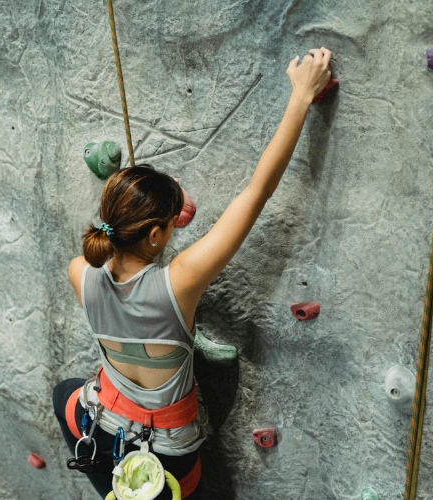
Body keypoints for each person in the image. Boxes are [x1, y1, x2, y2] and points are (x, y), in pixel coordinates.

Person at [53, 47, 333, 499]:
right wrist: (301, 95)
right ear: (157, 236)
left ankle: (112, 486)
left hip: (102, 425)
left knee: (64, 392)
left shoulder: (79, 272)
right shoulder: (176, 283)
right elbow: (257, 192)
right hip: (169, 457)